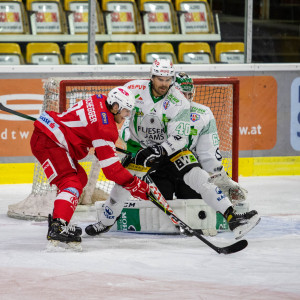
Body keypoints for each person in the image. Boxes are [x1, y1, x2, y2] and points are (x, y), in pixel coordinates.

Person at [85, 59, 260, 240]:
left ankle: (232, 217)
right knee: (123, 184)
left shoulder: (179, 101)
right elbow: (115, 111)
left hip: (171, 150)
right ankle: (105, 223)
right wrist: (106, 141)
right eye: (160, 79)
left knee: (199, 177)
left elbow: (179, 138)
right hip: (139, 149)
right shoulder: (133, 89)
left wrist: (158, 151)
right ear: (152, 77)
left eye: (168, 79)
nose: (164, 84)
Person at [30, 86, 150, 247]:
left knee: (80, 178)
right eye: (126, 111)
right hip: (50, 142)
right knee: (70, 183)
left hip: (51, 135)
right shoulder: (105, 128)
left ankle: (60, 219)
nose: (127, 115)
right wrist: (135, 184)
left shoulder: (99, 98)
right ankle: (58, 226)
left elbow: (88, 127)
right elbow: (111, 170)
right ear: (115, 107)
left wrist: (100, 148)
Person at [174, 72, 248, 204]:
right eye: (182, 94)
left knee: (195, 203)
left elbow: (208, 152)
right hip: (160, 168)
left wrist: (219, 178)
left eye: (189, 94)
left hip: (187, 169)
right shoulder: (157, 109)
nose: (186, 98)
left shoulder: (203, 113)